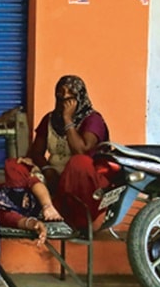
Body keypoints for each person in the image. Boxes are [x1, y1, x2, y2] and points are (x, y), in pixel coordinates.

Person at [26, 75, 110, 231]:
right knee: (16, 166)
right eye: (60, 92)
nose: (64, 97)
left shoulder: (93, 119)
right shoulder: (50, 119)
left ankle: (69, 218)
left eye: (70, 93)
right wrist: (47, 169)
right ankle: (28, 215)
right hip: (53, 173)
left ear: (80, 95)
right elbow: (36, 153)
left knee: (78, 162)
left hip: (81, 178)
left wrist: (67, 119)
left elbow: (81, 151)